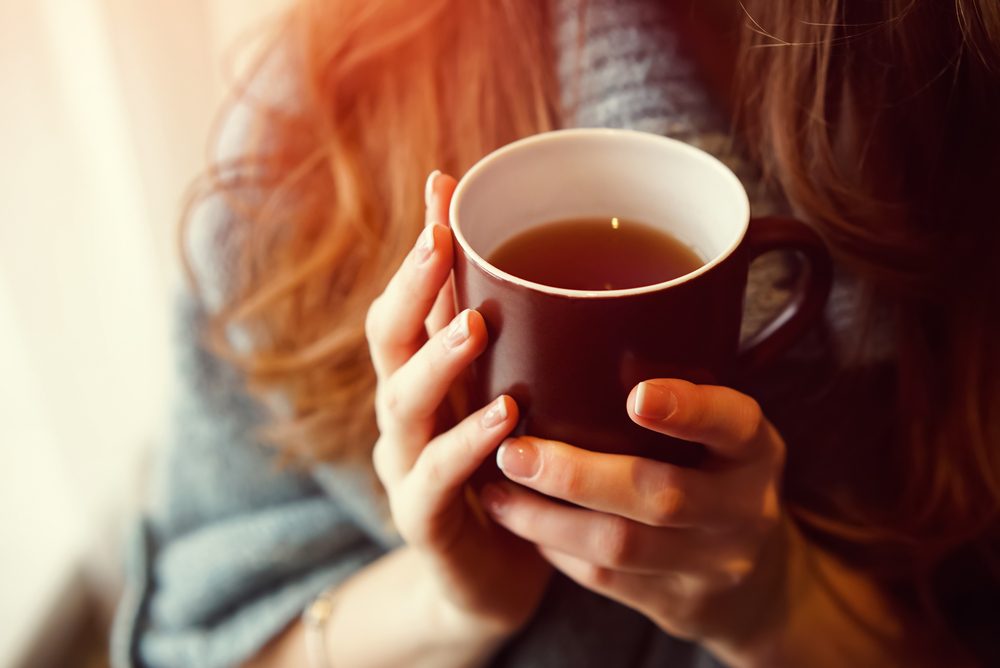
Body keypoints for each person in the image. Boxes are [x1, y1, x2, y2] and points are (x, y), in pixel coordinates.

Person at [111, 0, 1000, 666]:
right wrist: (450, 602)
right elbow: (192, 638)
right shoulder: (323, 116)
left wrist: (785, 606)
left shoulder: (962, 102)